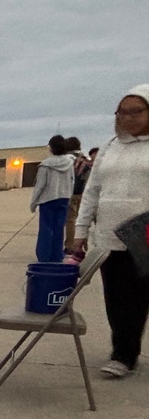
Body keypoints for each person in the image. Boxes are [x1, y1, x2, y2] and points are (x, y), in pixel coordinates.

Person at [73, 83, 149, 379]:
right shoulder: (109, 147)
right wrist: (81, 231)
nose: (128, 118)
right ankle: (123, 354)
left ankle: (128, 350)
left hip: (144, 235)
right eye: (122, 112)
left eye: (136, 112)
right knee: (118, 297)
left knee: (142, 296)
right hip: (110, 237)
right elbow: (92, 191)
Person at [29, 135, 74, 262]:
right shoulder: (69, 163)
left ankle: (44, 257)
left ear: (51, 148)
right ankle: (57, 256)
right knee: (59, 229)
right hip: (63, 199)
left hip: (48, 200)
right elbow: (72, 181)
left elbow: (40, 185)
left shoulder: (46, 165)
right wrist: (68, 196)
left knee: (46, 230)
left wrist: (33, 203)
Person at [63, 137, 92, 255]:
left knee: (70, 220)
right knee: (82, 221)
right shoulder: (84, 160)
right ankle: (83, 245)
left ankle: (69, 246)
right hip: (82, 194)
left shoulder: (66, 159)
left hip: (70, 193)